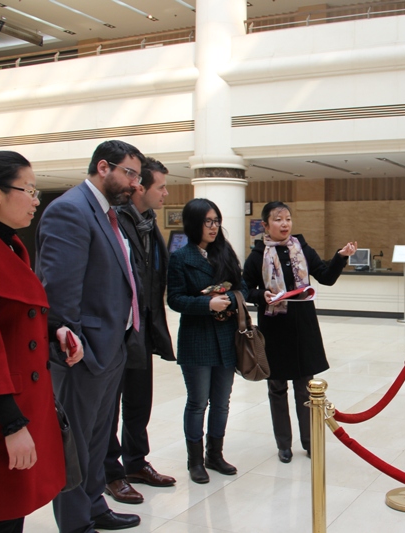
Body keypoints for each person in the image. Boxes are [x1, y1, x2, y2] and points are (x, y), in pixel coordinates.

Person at [0, 151, 83, 533]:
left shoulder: (9, 245)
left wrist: (55, 330)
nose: (35, 200)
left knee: (11, 515)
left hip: (25, 405)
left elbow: (16, 315)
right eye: (28, 190)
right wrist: (12, 426)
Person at [35, 140, 145, 532]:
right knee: (76, 445)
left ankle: (95, 506)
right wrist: (73, 343)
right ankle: (75, 522)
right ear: (103, 167)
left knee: (98, 439)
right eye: (129, 173)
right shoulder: (70, 210)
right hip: (82, 353)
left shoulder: (108, 214)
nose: (135, 184)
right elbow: (59, 291)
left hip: (113, 346)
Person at [242, 201, 357, 463]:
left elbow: (325, 277)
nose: (284, 224)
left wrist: (340, 257)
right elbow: (244, 288)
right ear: (266, 225)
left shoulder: (302, 249)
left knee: (305, 389)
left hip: (303, 326)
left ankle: (309, 441)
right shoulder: (258, 255)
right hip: (274, 329)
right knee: (277, 387)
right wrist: (261, 295)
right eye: (278, 219)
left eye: (288, 219)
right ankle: (283, 444)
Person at [103, 157, 177, 505]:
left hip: (144, 326)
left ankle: (136, 462)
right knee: (110, 406)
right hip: (119, 330)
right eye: (161, 187)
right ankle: (110, 472)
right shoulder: (115, 222)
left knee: (139, 401)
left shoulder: (148, 223)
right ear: (140, 187)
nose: (166, 193)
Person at [167, 198, 247, 484]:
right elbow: (175, 299)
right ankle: (195, 461)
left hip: (226, 337)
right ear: (194, 224)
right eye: (208, 222)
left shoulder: (225, 252)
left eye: (216, 221)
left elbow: (242, 287)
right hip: (196, 338)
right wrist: (206, 304)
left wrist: (231, 300)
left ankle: (215, 454)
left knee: (222, 402)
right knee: (198, 401)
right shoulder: (180, 257)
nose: (214, 227)